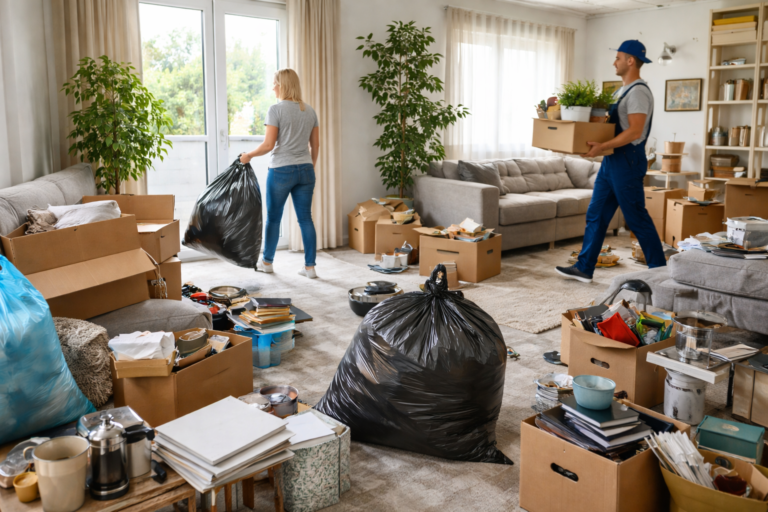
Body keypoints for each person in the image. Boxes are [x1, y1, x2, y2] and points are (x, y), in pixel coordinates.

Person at [555, 40, 664, 284]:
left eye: (618, 57)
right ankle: (584, 267)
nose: (614, 62)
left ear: (630, 61)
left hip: (627, 160)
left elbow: (635, 131)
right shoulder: (620, 91)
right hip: (611, 162)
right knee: (596, 214)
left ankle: (659, 272)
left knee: (636, 218)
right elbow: (609, 127)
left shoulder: (638, 92)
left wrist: (602, 147)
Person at [240, 69, 320, 279]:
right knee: (305, 219)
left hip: (281, 170)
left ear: (282, 85)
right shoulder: (310, 110)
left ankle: (267, 262)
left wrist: (248, 155)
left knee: (274, 218)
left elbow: (268, 145)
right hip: (306, 170)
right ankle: (310, 268)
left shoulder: (275, 110)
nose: (272, 87)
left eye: (274, 83)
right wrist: (309, 166)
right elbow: (315, 145)